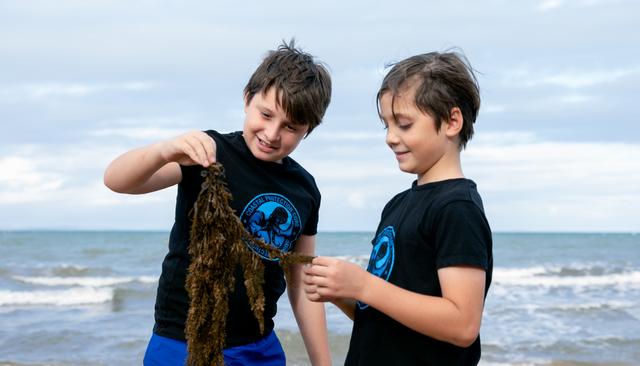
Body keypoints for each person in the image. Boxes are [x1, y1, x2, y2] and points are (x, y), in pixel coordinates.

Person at [104, 40, 332, 366]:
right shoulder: (208, 154)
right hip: (182, 340)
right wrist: (164, 150)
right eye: (265, 114)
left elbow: (301, 281)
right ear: (246, 99)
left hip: (258, 345)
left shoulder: (304, 189)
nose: (271, 133)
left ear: (308, 130)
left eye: (290, 127)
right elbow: (117, 181)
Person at [303, 51, 493, 365]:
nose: (391, 138)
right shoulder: (398, 205)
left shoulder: (457, 208)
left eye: (404, 124)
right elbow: (383, 314)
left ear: (451, 121)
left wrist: (363, 285)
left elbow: (462, 325)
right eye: (386, 125)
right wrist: (342, 292)